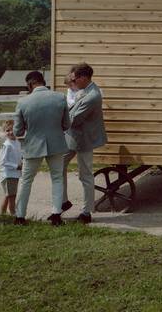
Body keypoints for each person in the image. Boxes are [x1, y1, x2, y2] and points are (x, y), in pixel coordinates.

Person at [14, 70, 71, 226]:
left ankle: (20, 216)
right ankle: (56, 215)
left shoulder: (23, 102)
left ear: (30, 83)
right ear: (42, 81)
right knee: (57, 179)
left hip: (33, 145)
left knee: (26, 181)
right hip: (56, 144)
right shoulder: (60, 97)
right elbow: (67, 124)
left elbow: (17, 131)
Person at [62, 62, 108, 224]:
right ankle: (63, 202)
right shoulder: (84, 90)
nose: (73, 81)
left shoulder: (92, 96)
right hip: (73, 138)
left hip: (84, 139)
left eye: (75, 78)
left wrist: (57, 118)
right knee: (59, 165)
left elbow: (73, 119)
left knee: (86, 175)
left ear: (83, 78)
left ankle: (87, 212)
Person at [0, 119, 22, 216]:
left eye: (13, 129)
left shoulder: (17, 142)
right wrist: (16, 166)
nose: (10, 132)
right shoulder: (6, 145)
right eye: (7, 130)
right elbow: (3, 161)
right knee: (12, 196)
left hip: (14, 174)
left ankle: (2, 213)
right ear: (4, 132)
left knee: (8, 195)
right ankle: (13, 213)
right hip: (8, 175)